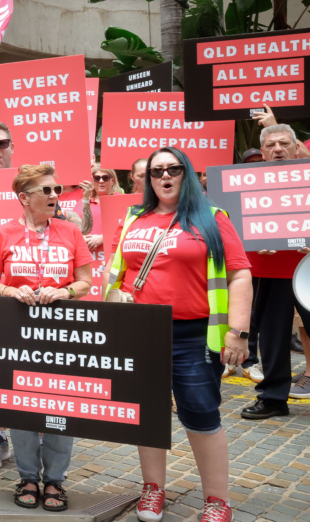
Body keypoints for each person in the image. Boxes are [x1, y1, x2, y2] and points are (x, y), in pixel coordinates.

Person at [102, 147, 252, 522]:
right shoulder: (134, 218)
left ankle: (217, 499)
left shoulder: (212, 217)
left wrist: (238, 331)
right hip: (140, 332)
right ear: (146, 179)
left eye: (174, 169)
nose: (165, 176)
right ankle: (153, 488)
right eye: (156, 171)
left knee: (201, 413)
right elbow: (115, 274)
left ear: (187, 174)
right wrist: (112, 299)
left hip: (193, 334)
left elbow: (239, 274)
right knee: (147, 414)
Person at [0, 164, 93, 512]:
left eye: (56, 189)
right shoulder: (3, 234)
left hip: (62, 335)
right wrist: (13, 292)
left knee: (60, 407)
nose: (55, 196)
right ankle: (28, 476)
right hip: (19, 334)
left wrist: (65, 292)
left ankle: (55, 480)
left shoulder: (70, 232)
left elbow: (86, 280)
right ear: (24, 198)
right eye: (46, 190)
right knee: (25, 407)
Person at [239, 124, 310, 417]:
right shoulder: (245, 182)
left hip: (307, 269)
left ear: (297, 148)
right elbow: (236, 226)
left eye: (283, 143)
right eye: (270, 145)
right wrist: (253, 244)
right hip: (268, 270)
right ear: (263, 152)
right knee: (271, 337)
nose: (277, 149)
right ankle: (273, 398)